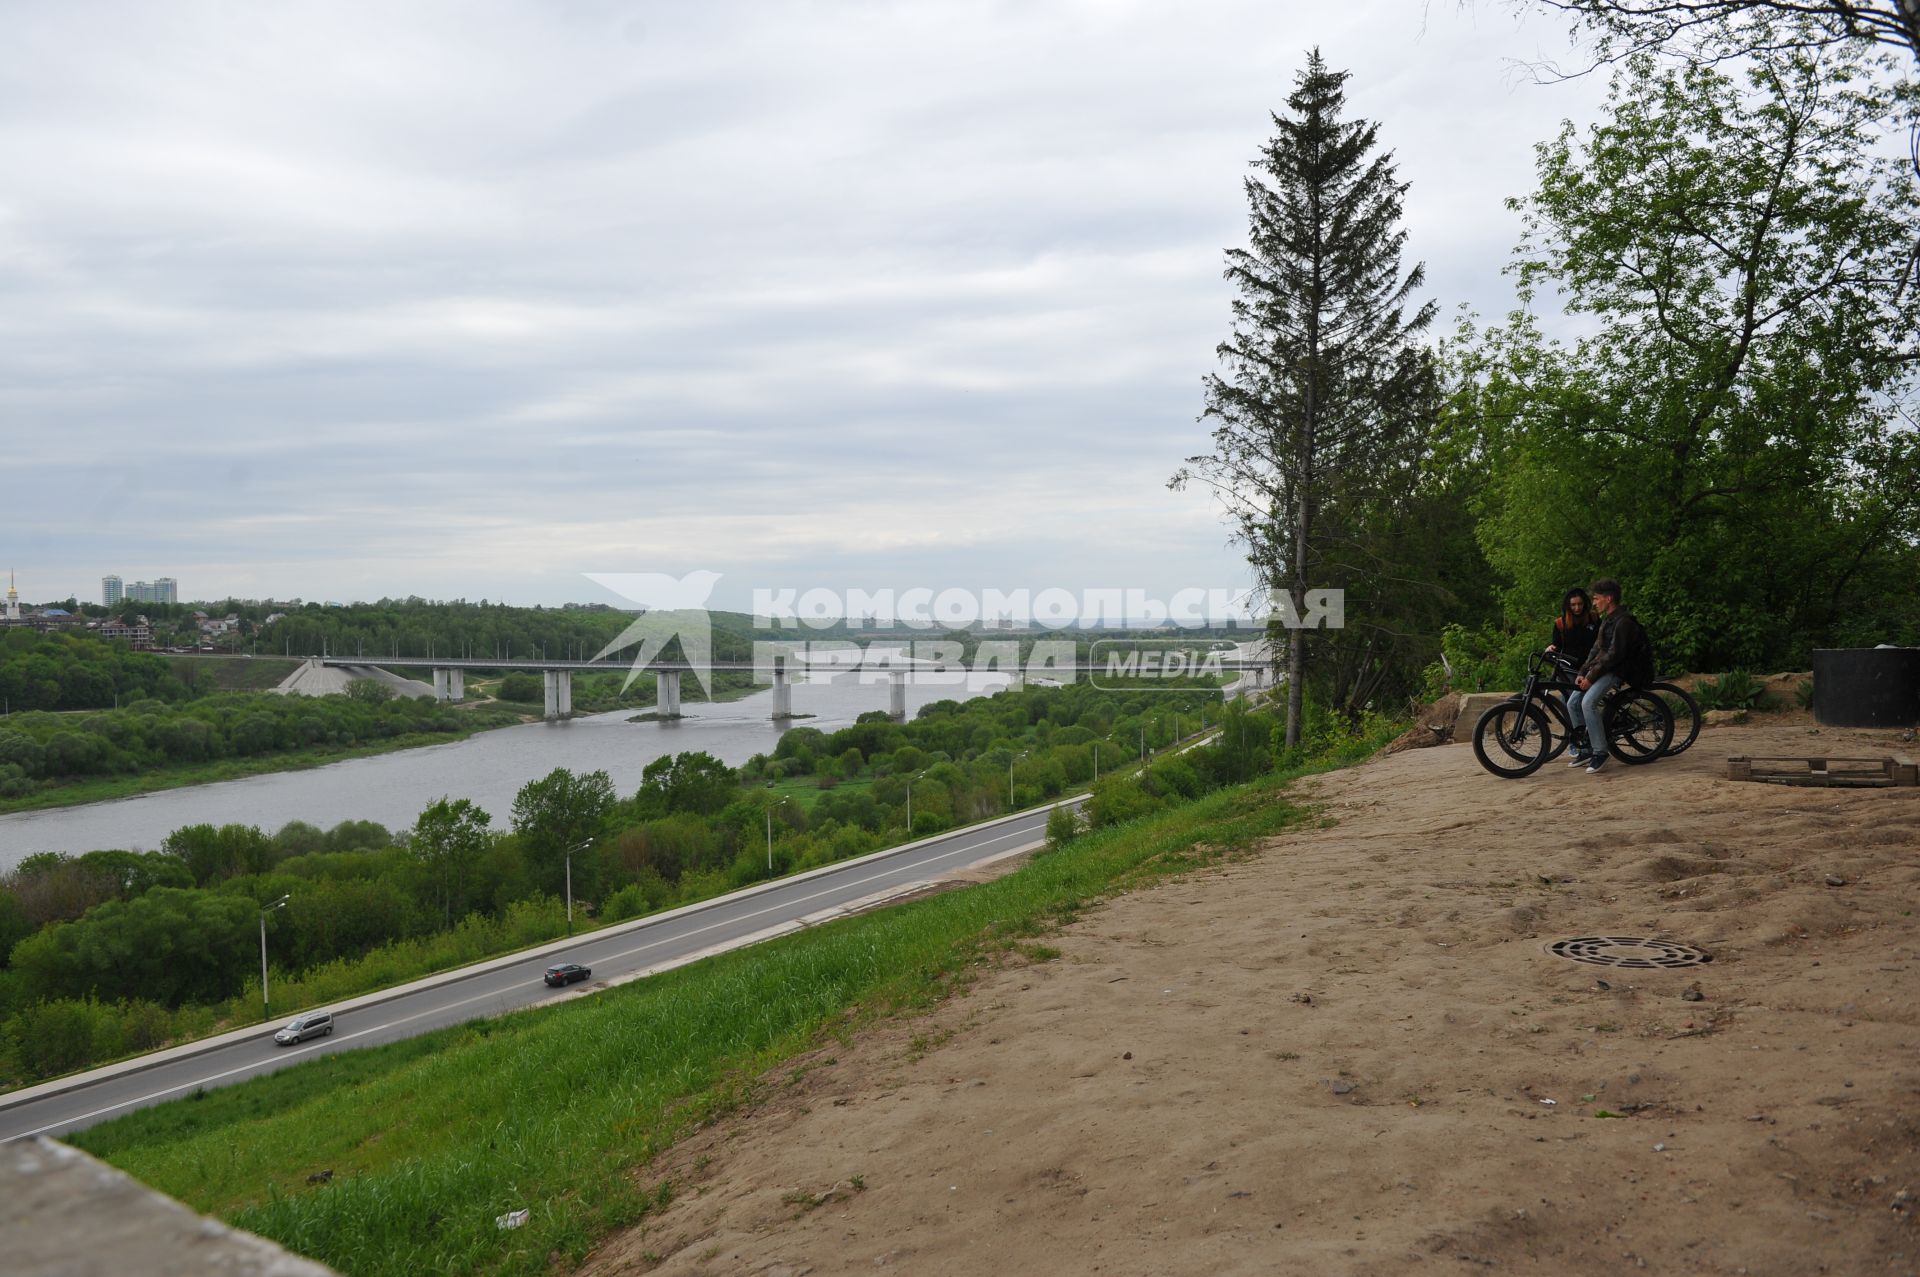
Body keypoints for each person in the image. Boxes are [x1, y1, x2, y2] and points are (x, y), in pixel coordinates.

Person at [1567, 578, 1653, 774]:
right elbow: (1596, 649)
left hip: (1618, 670)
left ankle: (1600, 752)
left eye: (1597, 599)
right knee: (1572, 702)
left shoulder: (1624, 622)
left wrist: (1591, 677)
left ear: (1609, 598)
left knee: (1588, 703)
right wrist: (1582, 672)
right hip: (1604, 667)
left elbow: (1613, 655)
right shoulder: (1607, 619)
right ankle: (1586, 748)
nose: (1594, 603)